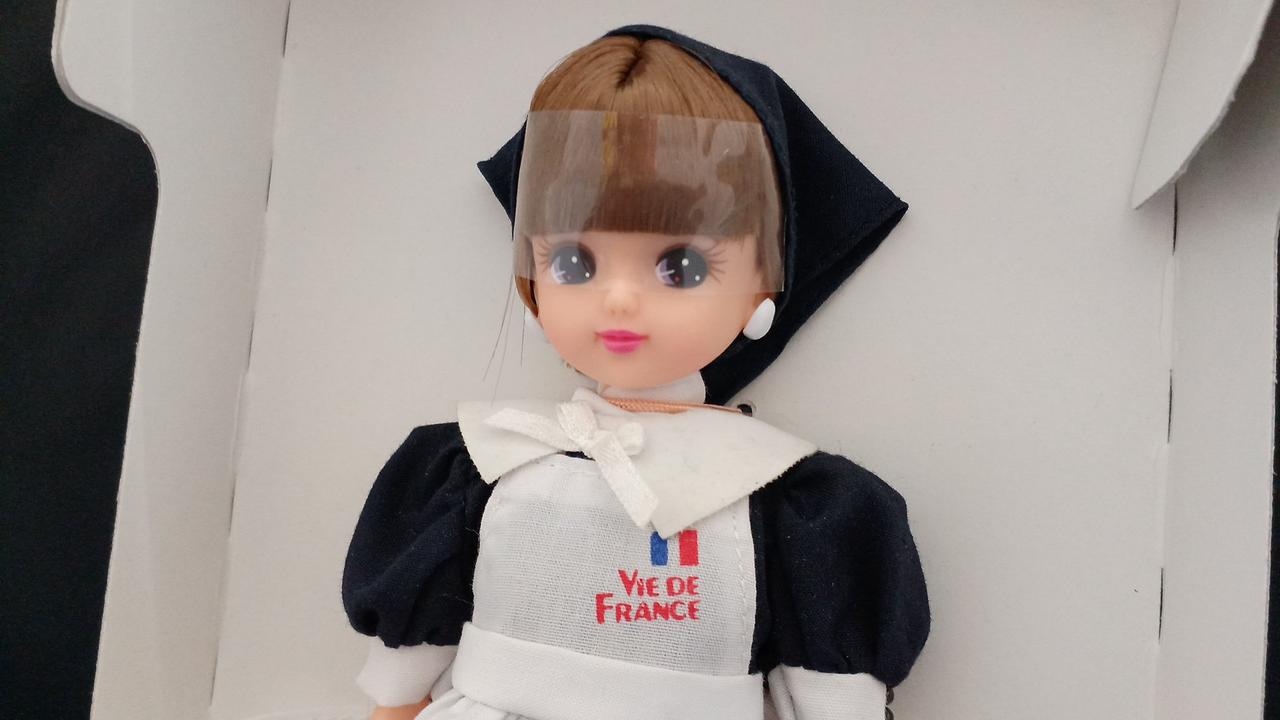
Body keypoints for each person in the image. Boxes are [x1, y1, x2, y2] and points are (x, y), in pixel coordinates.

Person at [342, 25, 930, 720]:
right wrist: (392, 704)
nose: (619, 299)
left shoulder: (788, 501)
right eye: (574, 263)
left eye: (680, 267)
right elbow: (412, 655)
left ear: (762, 290)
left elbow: (829, 687)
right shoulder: (484, 462)